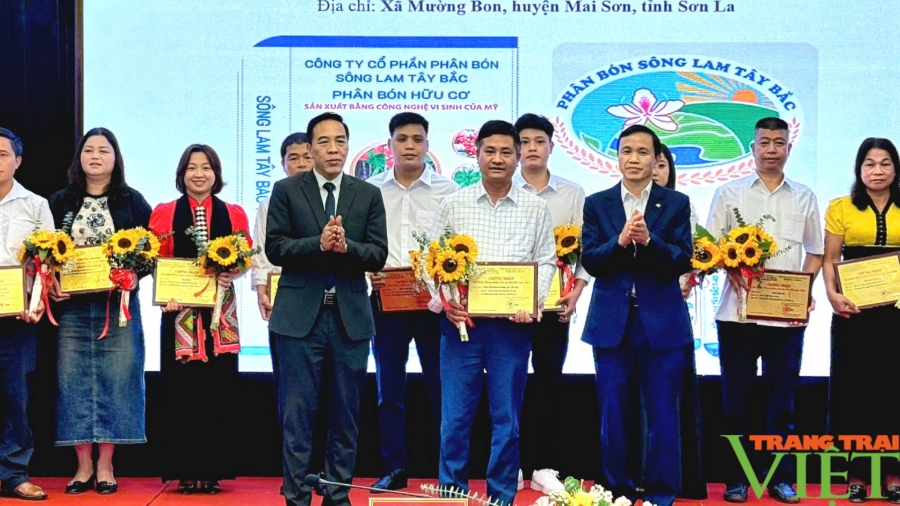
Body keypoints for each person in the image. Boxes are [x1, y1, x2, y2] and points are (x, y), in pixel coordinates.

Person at [431, 120, 556, 506]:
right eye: (490, 151)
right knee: (455, 419)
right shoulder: (454, 204)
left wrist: (530, 303)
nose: (497, 159)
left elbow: (546, 262)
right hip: (461, 328)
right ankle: (451, 495)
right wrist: (447, 301)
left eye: (506, 152)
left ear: (518, 158)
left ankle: (501, 497)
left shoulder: (536, 208)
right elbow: (431, 261)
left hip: (510, 330)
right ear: (478, 154)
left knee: (507, 420)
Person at [266, 112, 388, 506]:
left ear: (348, 146)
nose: (333, 149)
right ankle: (296, 496)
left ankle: (337, 494)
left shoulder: (367, 194)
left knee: (346, 414)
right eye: (324, 142)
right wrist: (317, 244)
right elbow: (275, 248)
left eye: (340, 141)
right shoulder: (287, 190)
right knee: (297, 414)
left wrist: (346, 247)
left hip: (350, 319)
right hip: (299, 319)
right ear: (311, 148)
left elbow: (378, 253)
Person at [706, 117, 823, 504]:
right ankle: (736, 479)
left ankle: (780, 477)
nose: (772, 149)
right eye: (764, 142)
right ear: (752, 148)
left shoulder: (804, 196)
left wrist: (803, 290)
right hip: (737, 315)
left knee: (781, 402)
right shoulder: (728, 193)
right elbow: (709, 248)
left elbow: (815, 252)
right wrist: (730, 266)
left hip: (786, 316)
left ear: (789, 147)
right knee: (735, 400)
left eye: (779, 142)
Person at [581, 124, 693, 506]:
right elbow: (591, 261)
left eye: (643, 152)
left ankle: (661, 494)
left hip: (662, 324)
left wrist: (650, 241)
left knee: (663, 414)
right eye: (627, 151)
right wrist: (620, 241)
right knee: (613, 414)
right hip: (612, 324)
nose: (634, 159)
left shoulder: (675, 203)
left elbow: (681, 259)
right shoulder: (598, 203)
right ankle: (618, 491)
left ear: (655, 159)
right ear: (617, 157)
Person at [49, 127, 151, 495]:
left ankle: (106, 464)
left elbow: (150, 252)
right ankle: (83, 466)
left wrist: (135, 274)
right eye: (88, 150)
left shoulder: (132, 201)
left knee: (118, 378)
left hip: (117, 306)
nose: (95, 156)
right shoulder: (60, 201)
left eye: (103, 150)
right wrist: (50, 279)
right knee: (72, 379)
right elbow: (43, 251)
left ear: (115, 158)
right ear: (79, 158)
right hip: (72, 307)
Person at [148, 144, 251, 494]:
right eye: (192, 167)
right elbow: (156, 260)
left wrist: (232, 273)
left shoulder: (233, 213)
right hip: (178, 313)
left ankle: (213, 470)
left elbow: (244, 257)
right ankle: (184, 471)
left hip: (219, 316)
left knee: (218, 391)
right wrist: (165, 291)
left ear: (216, 174)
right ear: (182, 174)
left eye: (206, 167)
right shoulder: (165, 213)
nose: (199, 174)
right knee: (181, 393)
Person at [367, 112, 458, 490]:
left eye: (417, 139)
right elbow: (360, 242)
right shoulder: (370, 190)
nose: (409, 146)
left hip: (435, 303)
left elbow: (459, 245)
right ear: (389, 145)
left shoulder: (448, 190)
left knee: (443, 387)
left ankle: (446, 470)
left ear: (427, 145)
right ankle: (394, 467)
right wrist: (365, 270)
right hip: (385, 301)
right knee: (389, 389)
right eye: (402, 139)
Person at [512, 113, 587, 492]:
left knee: (548, 384)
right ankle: (511, 464)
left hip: (556, 306)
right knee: (508, 386)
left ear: (551, 147)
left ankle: (544, 466)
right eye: (524, 142)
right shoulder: (503, 190)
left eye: (539, 141)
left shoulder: (572, 194)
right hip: (511, 308)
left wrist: (579, 289)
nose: (532, 148)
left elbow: (586, 250)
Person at [824, 138, 900, 503]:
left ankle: (893, 474)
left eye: (885, 163)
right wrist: (832, 295)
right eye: (870, 164)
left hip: (896, 315)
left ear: (895, 169)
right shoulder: (841, 207)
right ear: (859, 169)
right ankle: (857, 476)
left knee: (893, 392)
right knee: (855, 393)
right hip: (853, 314)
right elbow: (830, 259)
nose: (877, 171)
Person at [651, 143, 707, 500]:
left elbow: (693, 255)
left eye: (662, 165)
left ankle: (674, 480)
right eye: (651, 163)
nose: (656, 171)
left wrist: (688, 278)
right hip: (633, 314)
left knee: (670, 397)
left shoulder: (683, 206)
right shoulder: (620, 207)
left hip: (671, 313)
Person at [0, 128, 52, 501]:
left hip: (18, 318)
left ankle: (14, 473)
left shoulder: (35, 205)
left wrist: (36, 303)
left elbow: (48, 261)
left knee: (15, 396)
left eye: (2, 154)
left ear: (17, 161)